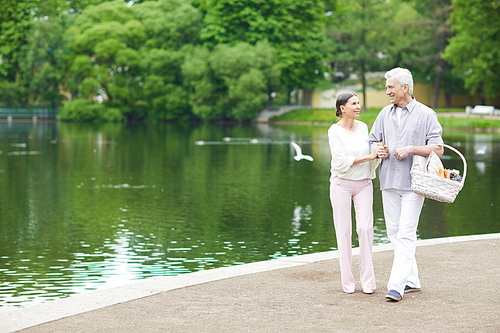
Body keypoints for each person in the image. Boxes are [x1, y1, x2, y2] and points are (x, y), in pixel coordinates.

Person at [369, 67, 444, 302]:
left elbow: (438, 148)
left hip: (415, 183)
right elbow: (372, 140)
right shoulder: (383, 114)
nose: (387, 91)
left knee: (406, 233)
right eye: (387, 87)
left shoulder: (426, 114)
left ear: (405, 88)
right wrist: (378, 149)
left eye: (391, 87)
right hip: (389, 180)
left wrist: (412, 148)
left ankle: (396, 286)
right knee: (393, 232)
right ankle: (412, 280)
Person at [328, 92, 382, 294]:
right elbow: (340, 163)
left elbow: (371, 157)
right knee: (343, 232)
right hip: (341, 185)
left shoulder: (363, 128)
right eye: (354, 103)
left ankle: (368, 282)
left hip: (363, 184)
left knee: (366, 229)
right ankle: (347, 282)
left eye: (359, 103)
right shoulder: (334, 131)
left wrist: (377, 155)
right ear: (343, 108)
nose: (358, 106)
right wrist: (369, 155)